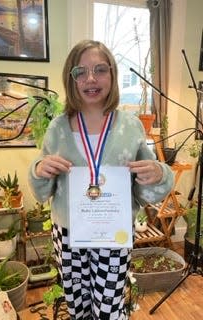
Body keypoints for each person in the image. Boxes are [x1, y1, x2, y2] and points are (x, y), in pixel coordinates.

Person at [28, 40, 174, 320]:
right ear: (71, 79)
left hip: (114, 231)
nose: (91, 79)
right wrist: (39, 169)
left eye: (100, 70)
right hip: (69, 235)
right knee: (77, 306)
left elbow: (147, 183)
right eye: (80, 72)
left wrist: (158, 172)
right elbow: (41, 185)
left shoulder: (130, 125)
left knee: (109, 308)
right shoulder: (58, 127)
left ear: (112, 75)